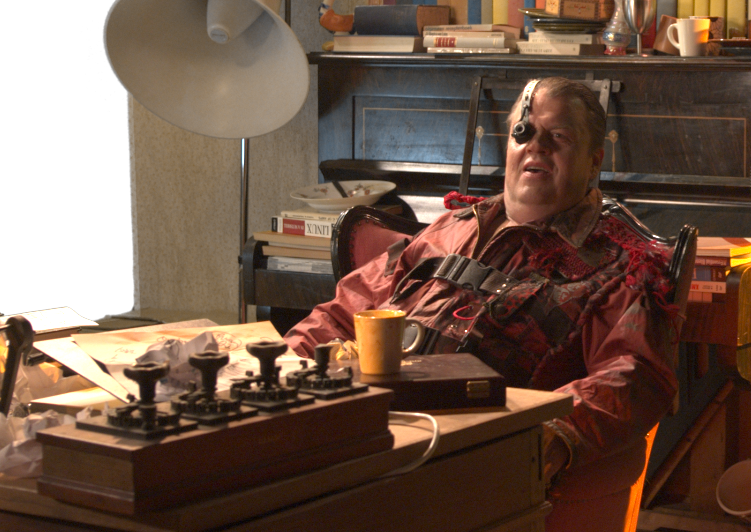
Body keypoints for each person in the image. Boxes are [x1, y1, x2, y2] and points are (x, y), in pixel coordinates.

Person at [283, 77, 681, 484]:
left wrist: (553, 432)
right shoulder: (449, 229)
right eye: (523, 132)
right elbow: (342, 312)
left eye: (559, 136)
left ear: (594, 160)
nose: (537, 145)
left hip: (467, 461)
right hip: (360, 426)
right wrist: (285, 365)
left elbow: (634, 374)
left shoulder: (623, 264)